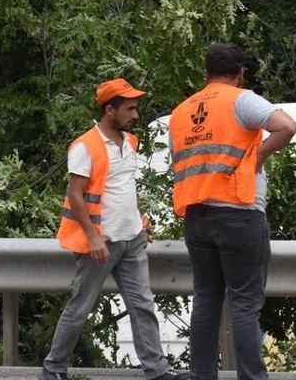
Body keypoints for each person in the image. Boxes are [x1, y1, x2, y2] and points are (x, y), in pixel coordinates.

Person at [40, 78, 192, 380]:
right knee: (80, 308)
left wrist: (139, 219)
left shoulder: (130, 142)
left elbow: (123, 187)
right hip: (102, 244)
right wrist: (94, 237)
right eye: (130, 109)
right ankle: (53, 368)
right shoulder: (86, 146)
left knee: (142, 305)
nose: (136, 115)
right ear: (110, 110)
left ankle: (157, 370)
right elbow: (75, 194)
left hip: (132, 239)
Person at [168, 44, 296, 380]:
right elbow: (286, 126)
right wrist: (256, 159)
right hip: (239, 214)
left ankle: (202, 376)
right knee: (243, 305)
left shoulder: (182, 112)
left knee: (206, 300)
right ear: (240, 73)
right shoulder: (242, 99)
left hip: (197, 216)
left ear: (205, 73)